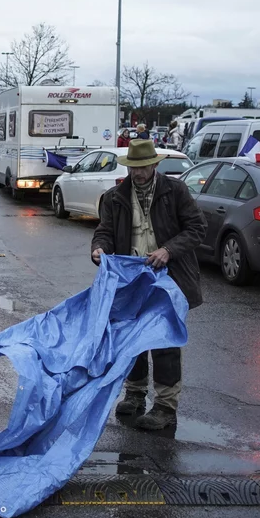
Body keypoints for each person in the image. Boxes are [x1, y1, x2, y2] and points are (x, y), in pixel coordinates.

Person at [91, 139, 206, 430]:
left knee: (165, 342)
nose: (138, 173)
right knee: (133, 341)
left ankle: (165, 407)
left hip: (170, 280)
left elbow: (197, 228)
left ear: (155, 165)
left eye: (143, 167)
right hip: (132, 282)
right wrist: (99, 249)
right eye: (134, 168)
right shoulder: (115, 196)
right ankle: (134, 394)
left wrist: (168, 249)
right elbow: (103, 231)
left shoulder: (175, 191)